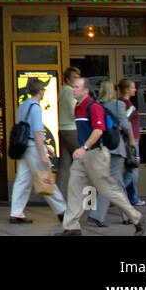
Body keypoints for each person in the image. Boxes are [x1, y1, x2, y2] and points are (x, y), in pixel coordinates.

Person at [60, 77, 145, 236]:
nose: (74, 90)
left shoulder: (93, 107)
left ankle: (137, 218)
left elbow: (98, 130)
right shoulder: (78, 107)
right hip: (84, 155)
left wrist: (84, 148)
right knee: (75, 188)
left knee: (107, 188)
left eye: (77, 87)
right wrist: (82, 149)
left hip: (96, 154)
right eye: (73, 87)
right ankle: (71, 227)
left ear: (86, 90)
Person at [8, 77, 65, 224]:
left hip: (24, 147)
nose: (44, 92)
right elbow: (37, 133)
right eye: (44, 89)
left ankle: (16, 212)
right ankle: (62, 211)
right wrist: (43, 154)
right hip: (33, 147)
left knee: (22, 180)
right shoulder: (35, 108)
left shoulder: (22, 106)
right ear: (40, 91)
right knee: (45, 177)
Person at [89, 79, 132, 227]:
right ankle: (97, 215)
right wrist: (132, 140)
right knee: (112, 182)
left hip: (101, 148)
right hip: (116, 147)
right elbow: (125, 126)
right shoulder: (119, 105)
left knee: (117, 183)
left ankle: (128, 215)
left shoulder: (96, 106)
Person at [118, 79, 145, 207]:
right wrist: (132, 139)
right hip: (131, 140)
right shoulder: (127, 105)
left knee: (132, 168)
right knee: (133, 169)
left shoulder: (121, 103)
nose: (135, 90)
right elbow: (125, 122)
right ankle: (118, 193)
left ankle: (131, 196)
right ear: (127, 89)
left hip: (129, 139)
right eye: (133, 87)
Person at [55, 66, 80, 198]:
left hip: (62, 129)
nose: (77, 80)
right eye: (74, 78)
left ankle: (60, 200)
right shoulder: (70, 91)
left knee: (65, 165)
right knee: (86, 163)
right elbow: (73, 110)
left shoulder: (61, 91)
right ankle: (90, 201)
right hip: (72, 129)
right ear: (67, 79)